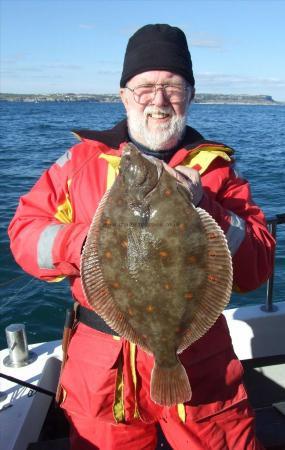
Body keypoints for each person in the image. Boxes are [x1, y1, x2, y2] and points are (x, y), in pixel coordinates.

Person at [8, 24, 275, 450]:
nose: (159, 99)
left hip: (201, 369)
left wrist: (208, 207)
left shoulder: (219, 172)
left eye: (172, 86)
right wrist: (88, 246)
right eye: (145, 86)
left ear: (190, 95)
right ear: (123, 95)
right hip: (102, 374)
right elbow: (25, 234)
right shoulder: (80, 163)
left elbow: (258, 264)